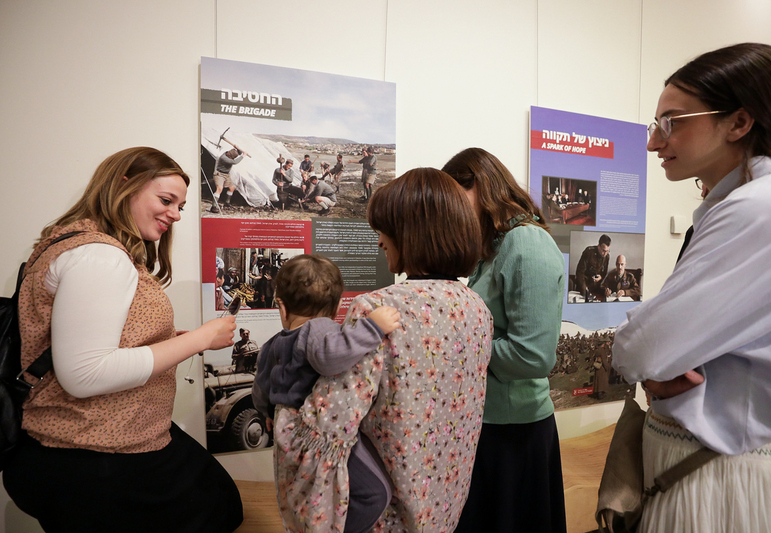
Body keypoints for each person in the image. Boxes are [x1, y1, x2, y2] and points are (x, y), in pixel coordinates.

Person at [4, 147, 243, 532]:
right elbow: (84, 374)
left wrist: (172, 340)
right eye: (166, 200)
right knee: (219, 507)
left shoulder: (80, 244)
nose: (176, 215)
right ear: (123, 185)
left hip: (98, 443)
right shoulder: (100, 257)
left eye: (180, 205)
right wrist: (199, 339)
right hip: (91, 455)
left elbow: (95, 340)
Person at [612, 43, 771, 532]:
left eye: (672, 121)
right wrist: (657, 357)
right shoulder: (749, 201)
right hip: (703, 462)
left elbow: (640, 350)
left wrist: (651, 361)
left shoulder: (765, 205)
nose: (654, 142)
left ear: (738, 123)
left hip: (718, 474)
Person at [272, 168, 492, 532]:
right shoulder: (476, 308)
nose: (378, 243)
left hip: (385, 515)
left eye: (382, 231)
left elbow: (328, 426)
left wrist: (279, 407)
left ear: (410, 234)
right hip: (444, 507)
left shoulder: (378, 308)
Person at [442, 147, 567, 533]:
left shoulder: (525, 243)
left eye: (454, 196)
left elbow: (532, 357)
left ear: (477, 184)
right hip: (489, 424)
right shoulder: (492, 250)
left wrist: (459, 345)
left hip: (514, 432)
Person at [252, 254, 401, 533]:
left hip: (285, 427)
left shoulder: (271, 345)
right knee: (375, 493)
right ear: (335, 310)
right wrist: (373, 328)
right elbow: (330, 357)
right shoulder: (318, 328)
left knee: (307, 498)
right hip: (317, 431)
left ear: (281, 307)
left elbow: (261, 387)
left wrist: (264, 414)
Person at [574, 233, 611, 300]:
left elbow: (604, 273)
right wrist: (585, 290)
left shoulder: (607, 257)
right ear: (598, 246)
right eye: (603, 250)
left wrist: (601, 277)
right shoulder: (589, 252)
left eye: (607, 251)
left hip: (596, 288)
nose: (605, 253)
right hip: (583, 288)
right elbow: (580, 273)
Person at [210, 147, 243, 213]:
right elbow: (235, 162)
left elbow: (239, 153)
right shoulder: (224, 158)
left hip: (226, 174)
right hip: (219, 174)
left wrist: (238, 148)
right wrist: (243, 156)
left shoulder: (229, 153)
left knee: (232, 188)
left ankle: (227, 203)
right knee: (219, 188)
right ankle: (213, 206)